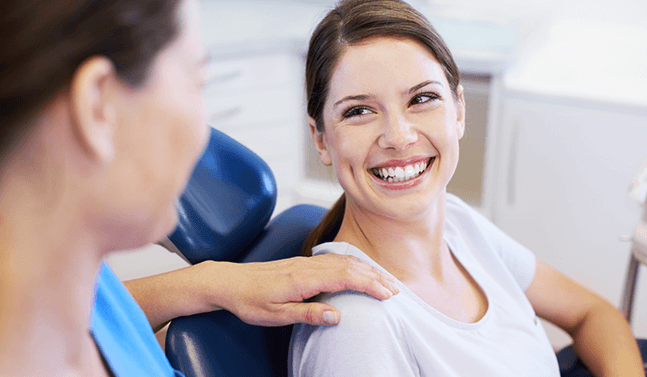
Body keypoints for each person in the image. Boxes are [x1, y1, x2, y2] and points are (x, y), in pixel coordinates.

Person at [0, 0, 400, 375]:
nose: (203, 137)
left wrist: (212, 283)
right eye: (197, 83)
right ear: (97, 107)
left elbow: (106, 316)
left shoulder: (74, 279)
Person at [289, 0, 644, 376]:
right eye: (359, 111)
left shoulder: (458, 223)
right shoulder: (357, 329)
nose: (398, 136)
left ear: (458, 110)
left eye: (422, 98)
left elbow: (592, 313)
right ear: (321, 139)